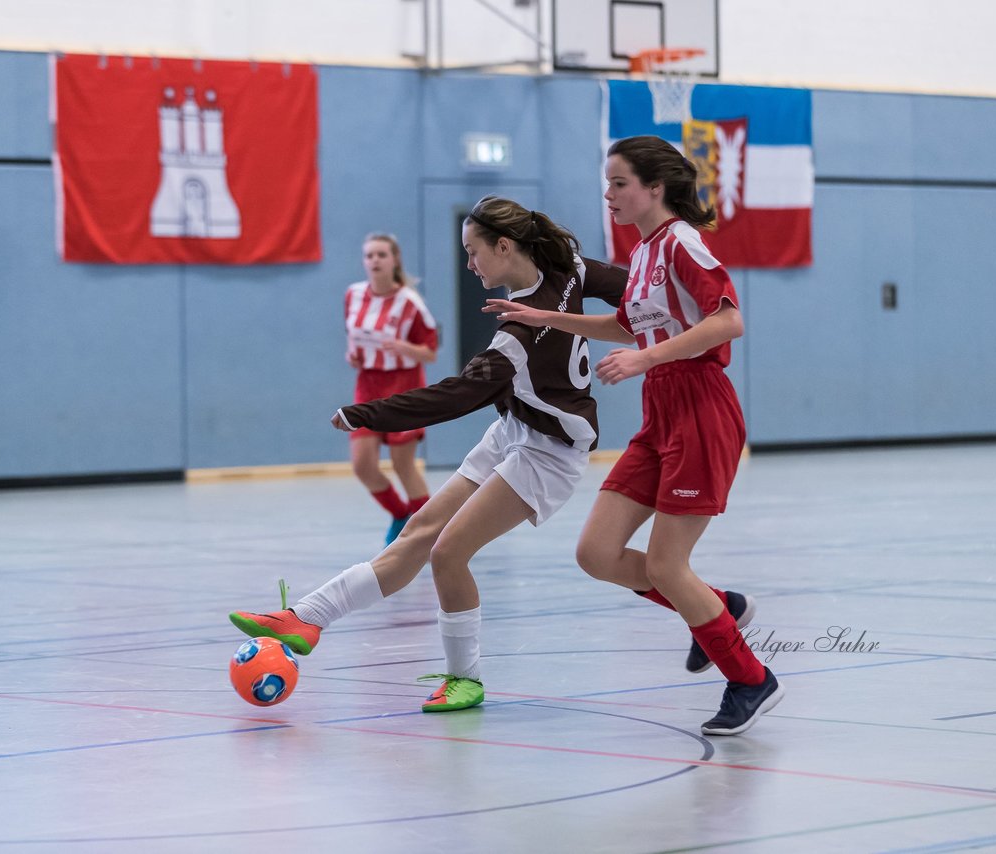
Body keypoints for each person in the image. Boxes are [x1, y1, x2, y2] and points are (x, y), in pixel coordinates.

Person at [230, 196, 626, 712]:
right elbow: (632, 288)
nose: (468, 264)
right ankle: (305, 617)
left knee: (448, 551)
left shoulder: (517, 337)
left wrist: (365, 414)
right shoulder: (566, 268)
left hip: (550, 453)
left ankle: (467, 679)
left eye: (473, 252)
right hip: (513, 430)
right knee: (419, 532)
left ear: (504, 247)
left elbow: (453, 396)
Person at [483, 135, 782, 736]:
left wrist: (647, 360)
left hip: (701, 409)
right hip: (660, 416)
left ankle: (750, 678)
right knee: (597, 554)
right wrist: (548, 318)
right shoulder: (645, 251)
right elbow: (627, 324)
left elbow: (729, 320)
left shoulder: (682, 244)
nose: (609, 193)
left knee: (670, 567)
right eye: (609, 182)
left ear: (655, 188)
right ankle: (721, 610)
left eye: (619, 182)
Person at [344, 234, 438, 545]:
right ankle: (400, 513)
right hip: (368, 384)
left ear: (394, 259)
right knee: (362, 464)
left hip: (403, 386)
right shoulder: (353, 295)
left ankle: (430, 531)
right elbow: (353, 341)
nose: (375, 260)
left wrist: (401, 347)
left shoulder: (410, 303)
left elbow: (429, 352)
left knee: (402, 463)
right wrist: (353, 356)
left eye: (381, 254)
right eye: (369, 255)